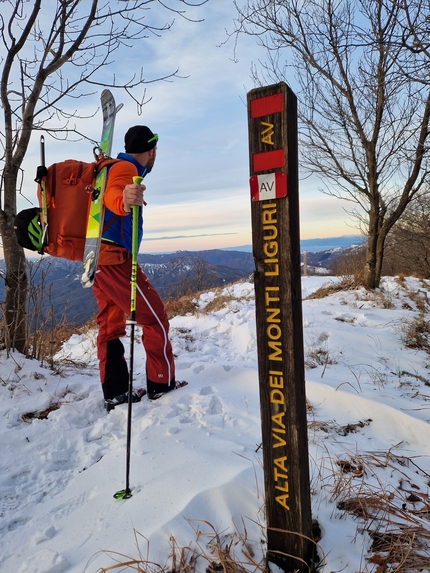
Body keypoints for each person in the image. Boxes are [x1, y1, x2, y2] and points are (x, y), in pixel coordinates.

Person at [92, 125, 186, 412]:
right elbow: (113, 196)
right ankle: (161, 384)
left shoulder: (107, 168)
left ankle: (116, 392)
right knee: (155, 317)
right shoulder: (123, 168)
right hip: (114, 260)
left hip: (96, 258)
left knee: (109, 325)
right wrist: (124, 200)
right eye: (154, 151)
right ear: (151, 150)